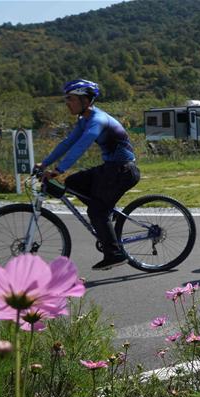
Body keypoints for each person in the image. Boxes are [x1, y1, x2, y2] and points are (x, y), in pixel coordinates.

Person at [35, 79, 140, 270]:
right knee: (73, 182)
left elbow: (81, 146)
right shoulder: (85, 120)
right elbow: (68, 143)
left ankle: (115, 253)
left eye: (71, 99)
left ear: (85, 100)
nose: (67, 102)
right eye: (67, 98)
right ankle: (105, 214)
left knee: (96, 211)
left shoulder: (98, 120)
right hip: (111, 168)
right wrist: (45, 163)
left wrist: (58, 170)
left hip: (123, 170)